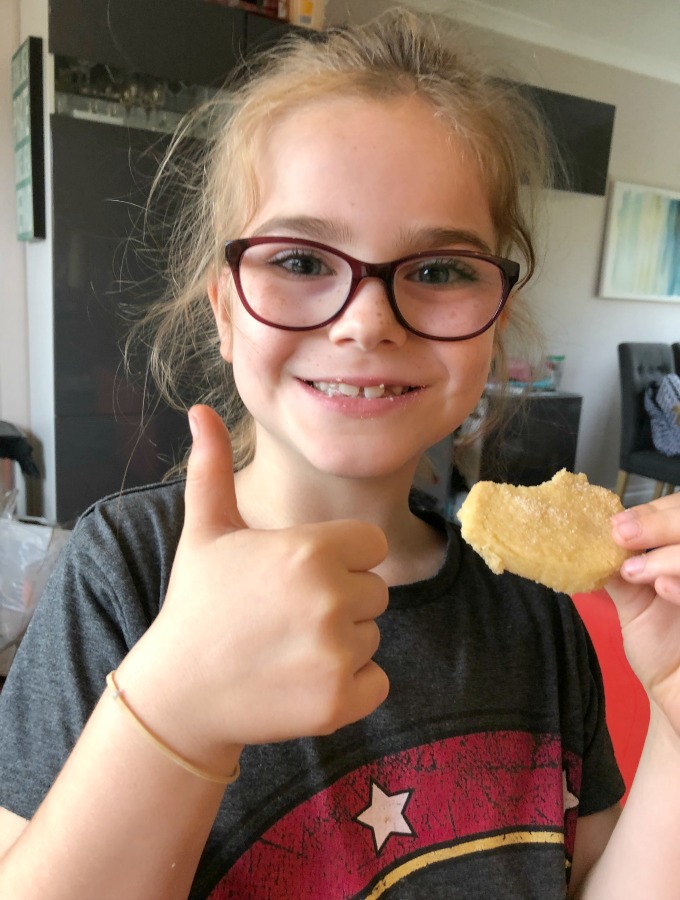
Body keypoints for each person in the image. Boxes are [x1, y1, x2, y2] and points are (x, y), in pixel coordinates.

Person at [1, 8, 679, 899]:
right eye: (299, 259)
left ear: (494, 321)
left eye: (437, 270)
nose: (366, 321)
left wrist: (673, 723)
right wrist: (176, 710)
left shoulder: (537, 610)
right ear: (224, 310)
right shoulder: (123, 574)